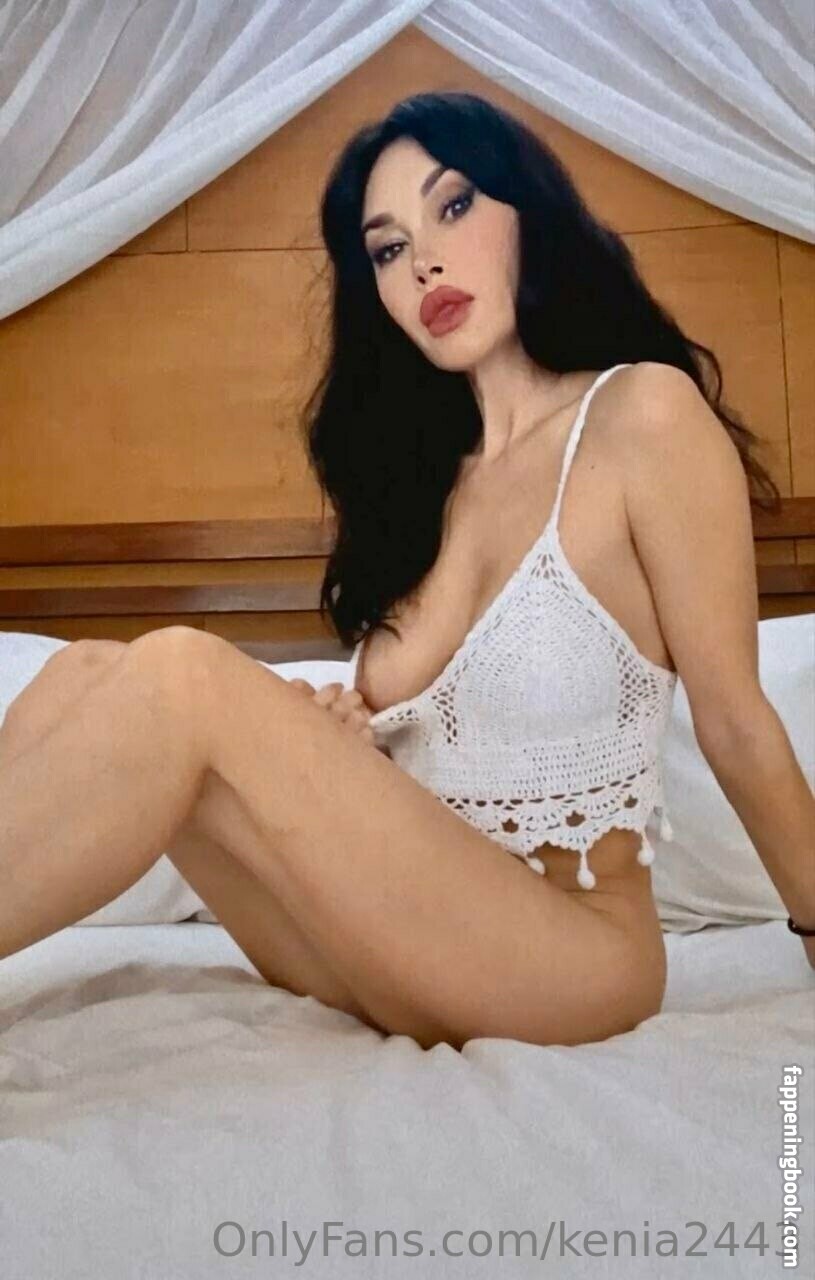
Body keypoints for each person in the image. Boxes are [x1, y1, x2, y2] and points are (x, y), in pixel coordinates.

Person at [1, 92, 812, 1052]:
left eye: (454, 206)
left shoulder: (641, 417)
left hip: (570, 957)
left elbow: (734, 721)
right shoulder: (423, 489)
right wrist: (344, 743)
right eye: (388, 249)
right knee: (87, 671)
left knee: (183, 674)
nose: (423, 260)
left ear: (529, 210)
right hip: (402, 940)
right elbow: (431, 782)